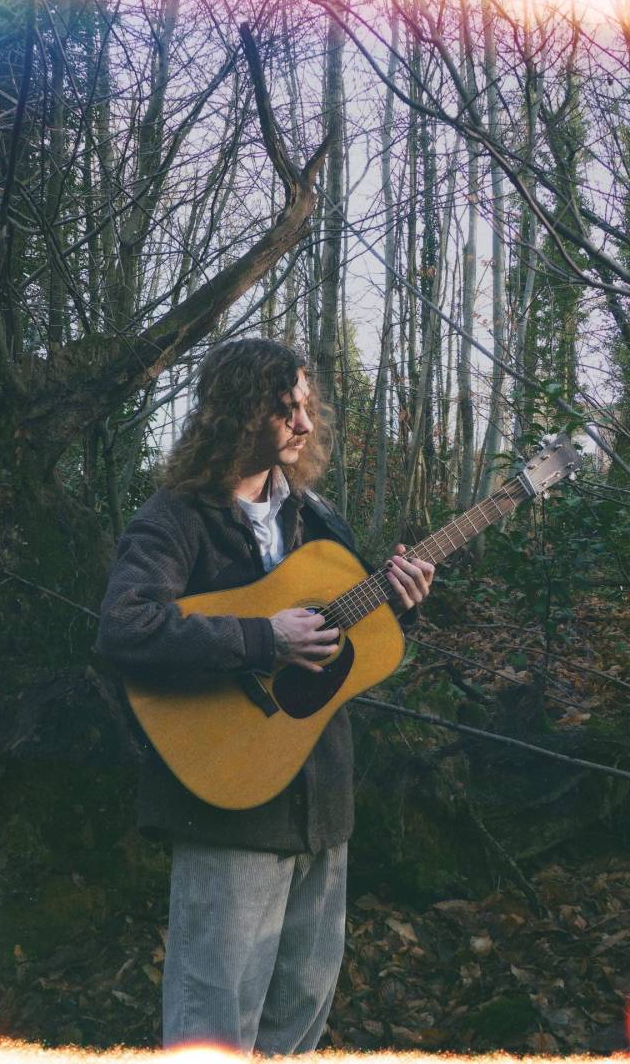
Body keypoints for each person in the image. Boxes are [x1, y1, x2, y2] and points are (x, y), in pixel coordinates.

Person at [97, 338, 434, 1055]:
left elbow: (349, 638)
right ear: (236, 413)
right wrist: (261, 638)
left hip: (323, 806)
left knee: (299, 1016)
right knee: (214, 1021)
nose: (304, 424)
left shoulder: (317, 516)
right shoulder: (176, 518)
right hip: (228, 805)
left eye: (305, 406)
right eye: (285, 409)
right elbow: (126, 628)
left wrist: (400, 604)